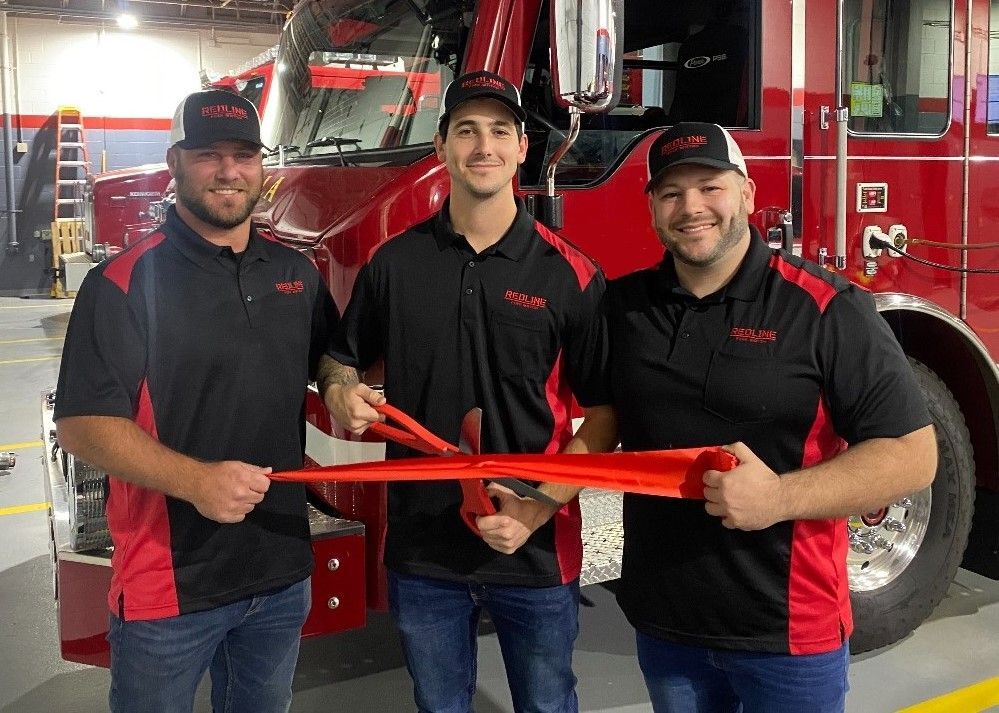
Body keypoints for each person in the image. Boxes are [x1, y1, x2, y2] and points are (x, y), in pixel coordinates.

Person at [602, 122, 937, 712]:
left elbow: (914, 456)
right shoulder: (625, 308)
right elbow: (572, 404)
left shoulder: (827, 309)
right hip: (666, 625)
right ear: (652, 208)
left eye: (711, 187)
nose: (692, 207)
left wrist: (779, 498)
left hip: (788, 636)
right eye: (672, 193)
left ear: (749, 194)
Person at [321, 70, 617, 713]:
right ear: (441, 148)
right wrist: (342, 394)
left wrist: (538, 509)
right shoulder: (393, 264)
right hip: (424, 551)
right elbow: (340, 361)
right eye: (466, 130)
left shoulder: (571, 273)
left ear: (522, 149)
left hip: (534, 550)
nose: (483, 146)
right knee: (439, 704)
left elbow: (604, 419)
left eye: (499, 131)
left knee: (546, 702)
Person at [54, 89, 338, 713]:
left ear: (263, 166)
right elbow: (82, 424)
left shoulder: (295, 273)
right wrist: (194, 480)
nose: (229, 170)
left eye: (243, 154)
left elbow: (326, 355)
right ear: (175, 161)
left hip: (280, 568)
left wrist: (341, 385)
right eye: (209, 154)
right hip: (171, 585)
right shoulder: (124, 283)